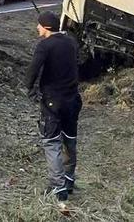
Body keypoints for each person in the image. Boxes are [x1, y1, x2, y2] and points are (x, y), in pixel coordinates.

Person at [25, 11, 83, 202]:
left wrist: (30, 89)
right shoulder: (71, 43)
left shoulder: (45, 46)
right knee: (70, 140)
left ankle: (58, 188)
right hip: (73, 100)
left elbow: (33, 69)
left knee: (51, 142)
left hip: (53, 102)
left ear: (46, 27)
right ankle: (68, 180)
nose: (37, 28)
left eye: (39, 25)